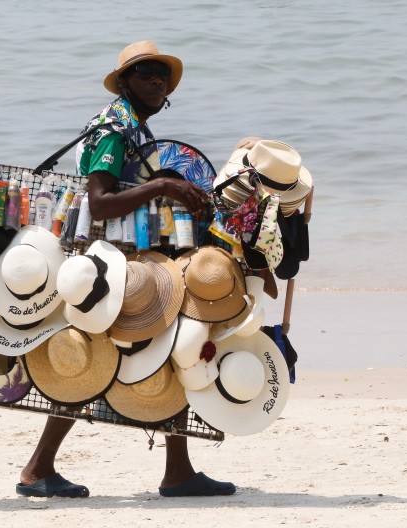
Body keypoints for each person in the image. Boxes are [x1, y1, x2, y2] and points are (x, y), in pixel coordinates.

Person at [16, 40, 245, 499]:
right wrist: (163, 185)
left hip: (133, 258)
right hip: (111, 263)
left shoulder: (134, 126)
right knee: (101, 357)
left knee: (165, 345)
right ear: (125, 83)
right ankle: (38, 469)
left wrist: (175, 189)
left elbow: (132, 184)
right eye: (146, 75)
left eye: (162, 75)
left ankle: (176, 471)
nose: (157, 82)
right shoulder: (113, 129)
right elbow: (99, 202)